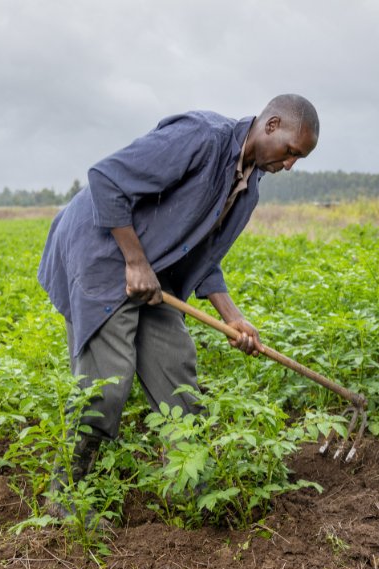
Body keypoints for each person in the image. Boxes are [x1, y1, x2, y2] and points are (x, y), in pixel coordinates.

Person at [37, 94, 319, 521]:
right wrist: (134, 261)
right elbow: (106, 179)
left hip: (154, 268)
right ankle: (65, 496)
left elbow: (205, 258)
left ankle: (195, 492)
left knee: (177, 376)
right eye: (291, 151)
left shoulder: (248, 190)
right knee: (106, 385)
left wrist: (234, 318)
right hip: (102, 252)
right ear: (272, 124)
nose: (290, 164)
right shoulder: (201, 137)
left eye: (300, 158)